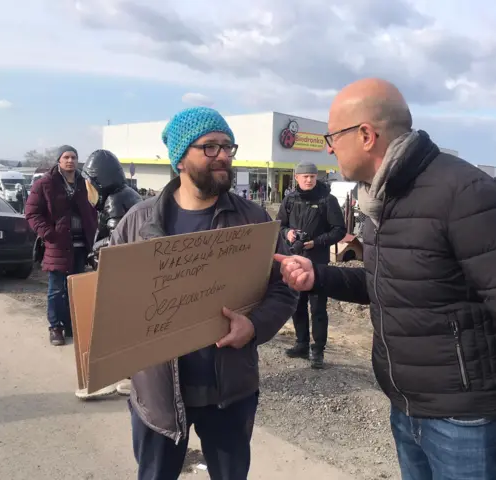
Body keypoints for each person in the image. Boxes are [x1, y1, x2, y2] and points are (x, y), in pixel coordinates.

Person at [275, 78, 496, 479]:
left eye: (333, 136)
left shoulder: (468, 195)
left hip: (466, 422)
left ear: (365, 135)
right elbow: (395, 285)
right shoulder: (382, 198)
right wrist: (317, 278)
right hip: (406, 407)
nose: (329, 148)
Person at [110, 107, 297, 479]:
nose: (224, 156)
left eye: (228, 147)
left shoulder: (253, 220)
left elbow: (283, 289)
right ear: (181, 158)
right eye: (210, 147)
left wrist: (255, 327)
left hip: (230, 394)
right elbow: (112, 301)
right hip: (158, 397)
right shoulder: (139, 223)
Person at [72, 149, 144, 400]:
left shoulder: (115, 201)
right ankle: (128, 375)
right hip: (134, 276)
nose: (86, 188)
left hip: (122, 278)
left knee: (109, 327)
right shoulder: (128, 195)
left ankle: (105, 377)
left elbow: (117, 243)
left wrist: (94, 252)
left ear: (98, 180)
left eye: (88, 182)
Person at [25, 146, 98, 346]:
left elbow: (94, 208)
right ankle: (55, 327)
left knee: (74, 288)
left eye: (74, 157)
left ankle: (71, 324)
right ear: (59, 160)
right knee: (56, 289)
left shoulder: (85, 183)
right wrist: (49, 234)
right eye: (66, 157)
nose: (70, 160)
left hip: (81, 245)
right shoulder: (45, 184)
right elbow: (32, 213)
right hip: (57, 245)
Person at [277, 160, 346, 368]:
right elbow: (279, 225)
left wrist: (316, 242)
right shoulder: (289, 200)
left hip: (318, 263)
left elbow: (339, 230)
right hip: (295, 259)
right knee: (297, 304)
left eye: (312, 176)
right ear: (296, 178)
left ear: (317, 178)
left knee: (318, 308)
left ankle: (318, 350)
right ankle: (301, 344)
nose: (308, 180)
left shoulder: (328, 200)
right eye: (305, 176)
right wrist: (287, 232)